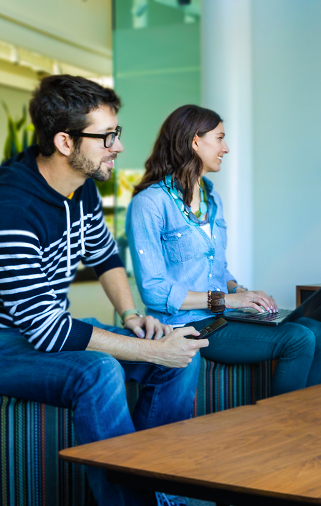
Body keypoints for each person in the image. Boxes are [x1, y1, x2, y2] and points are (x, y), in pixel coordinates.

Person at [0, 75, 206, 506]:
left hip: (41, 331)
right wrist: (151, 351)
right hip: (9, 342)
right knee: (98, 370)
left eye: (118, 133)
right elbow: (48, 332)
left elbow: (106, 256)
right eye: (107, 136)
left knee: (180, 350)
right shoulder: (13, 209)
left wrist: (133, 319)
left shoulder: (81, 188)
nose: (119, 146)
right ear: (64, 142)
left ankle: (166, 489)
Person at [126, 105, 321, 396]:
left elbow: (218, 269)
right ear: (195, 141)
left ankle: (313, 421)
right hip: (188, 324)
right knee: (298, 339)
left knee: (317, 330)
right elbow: (154, 291)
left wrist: (244, 293)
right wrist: (229, 301)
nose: (227, 148)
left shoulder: (212, 198)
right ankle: (287, 429)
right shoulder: (150, 203)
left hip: (222, 316)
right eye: (220, 138)